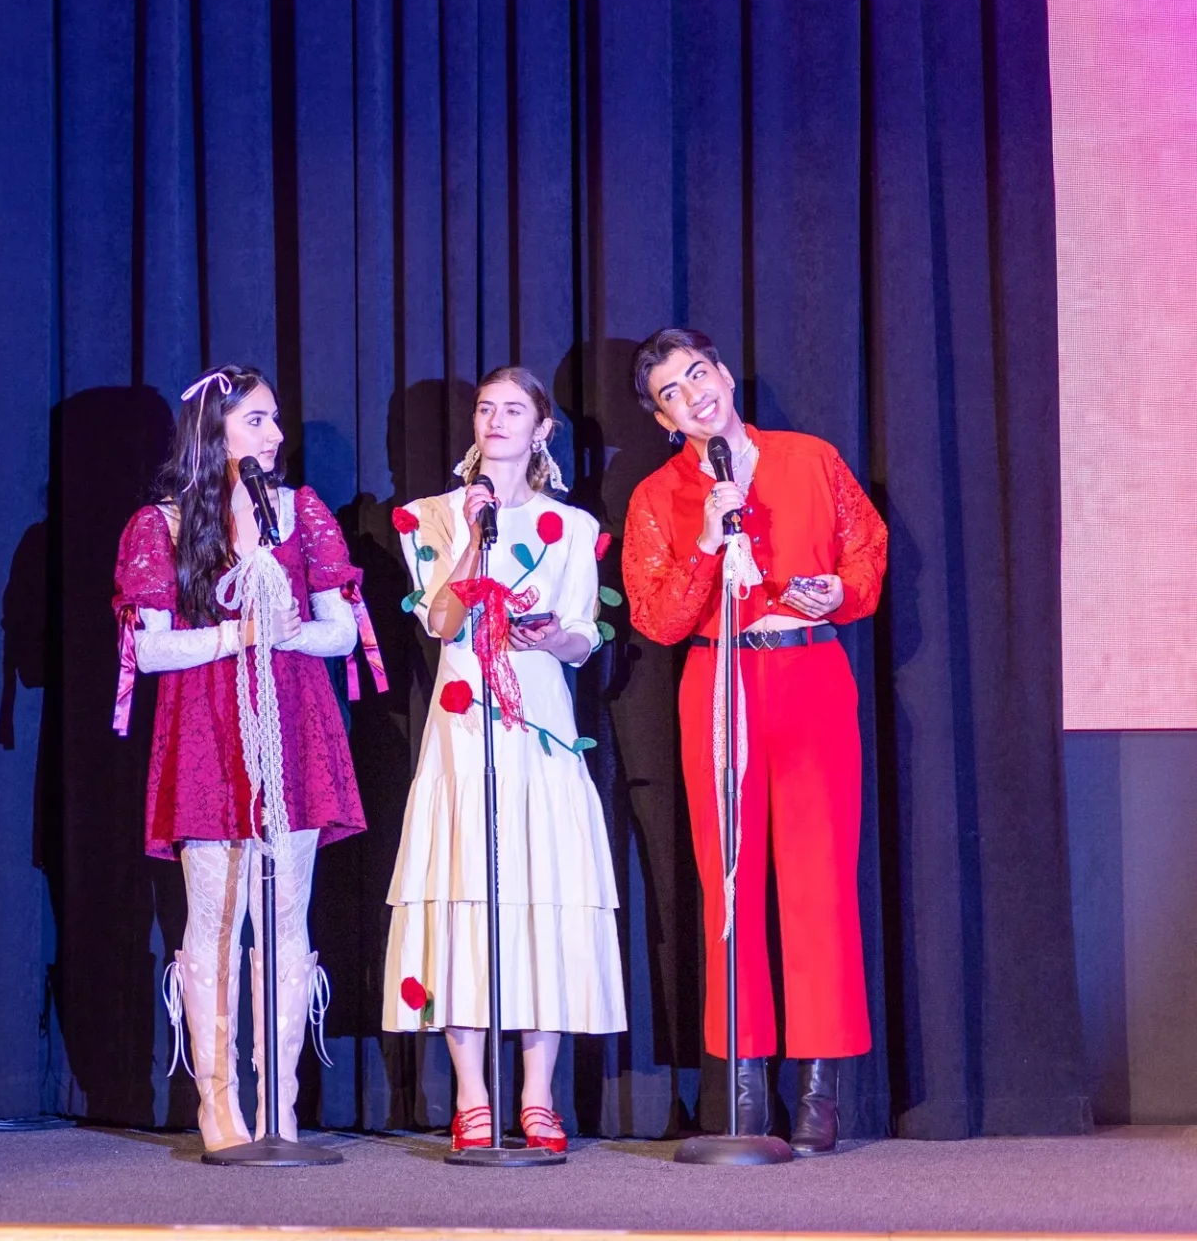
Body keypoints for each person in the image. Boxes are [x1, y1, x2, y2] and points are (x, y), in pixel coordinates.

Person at [620, 327, 887, 1155]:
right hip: (720, 683)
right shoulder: (657, 497)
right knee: (728, 883)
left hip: (807, 675)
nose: (694, 393)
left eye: (698, 373)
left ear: (726, 374)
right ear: (665, 419)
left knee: (819, 883)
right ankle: (741, 1082)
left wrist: (833, 589)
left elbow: (867, 553)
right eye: (672, 392)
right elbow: (656, 617)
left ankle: (817, 1088)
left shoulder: (810, 458)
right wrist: (705, 539)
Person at [112, 366, 378, 1152]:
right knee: (217, 918)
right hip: (208, 733)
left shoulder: (301, 513)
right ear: (215, 429)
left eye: (275, 421)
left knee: (286, 918)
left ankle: (282, 1107)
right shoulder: (158, 526)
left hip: (293, 723)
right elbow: (151, 650)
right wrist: (240, 635)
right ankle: (219, 1105)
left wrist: (288, 628)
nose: (273, 435)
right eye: (256, 420)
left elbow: (343, 631)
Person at [382, 367, 624, 1154]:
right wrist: (468, 538)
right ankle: (472, 1096)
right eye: (486, 409)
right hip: (461, 723)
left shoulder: (575, 528)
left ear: (541, 427)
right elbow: (440, 618)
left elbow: (586, 637)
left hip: (540, 720)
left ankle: (537, 1096)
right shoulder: (429, 517)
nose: (496, 420)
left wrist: (551, 634)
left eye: (513, 409)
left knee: (540, 893)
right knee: (461, 890)